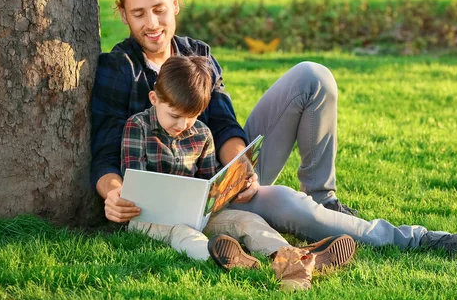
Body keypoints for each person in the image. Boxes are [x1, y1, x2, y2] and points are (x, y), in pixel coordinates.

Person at [90, 0, 457, 258]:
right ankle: (417, 238)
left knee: (312, 76)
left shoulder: (199, 56)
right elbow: (106, 150)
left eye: (159, 8)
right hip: (165, 202)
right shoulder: (118, 68)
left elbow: (226, 124)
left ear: (174, 4)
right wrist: (113, 194)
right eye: (138, 14)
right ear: (123, 15)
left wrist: (240, 171)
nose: (152, 23)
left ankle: (325, 199)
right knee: (289, 205)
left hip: (222, 180)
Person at [120, 54, 356, 279]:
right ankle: (226, 260)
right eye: (174, 116)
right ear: (154, 99)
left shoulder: (202, 133)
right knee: (184, 234)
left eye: (190, 117)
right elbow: (136, 185)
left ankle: (293, 258)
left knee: (247, 221)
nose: (182, 125)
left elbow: (209, 182)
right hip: (150, 217)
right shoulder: (138, 127)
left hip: (194, 214)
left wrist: (221, 191)